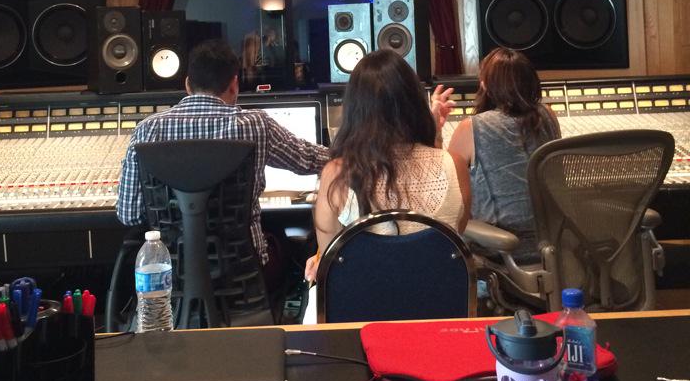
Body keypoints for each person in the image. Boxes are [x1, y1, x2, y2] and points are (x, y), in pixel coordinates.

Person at [117, 39, 330, 276]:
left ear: (187, 84)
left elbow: (129, 214)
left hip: (170, 274)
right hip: (243, 272)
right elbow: (309, 159)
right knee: (290, 244)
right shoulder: (257, 125)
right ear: (234, 85)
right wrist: (351, 150)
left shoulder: (147, 130)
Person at [303, 49, 471, 286]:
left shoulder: (337, 174)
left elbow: (330, 259)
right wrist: (434, 137)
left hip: (363, 307)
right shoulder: (455, 164)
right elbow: (451, 236)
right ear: (415, 101)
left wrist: (320, 257)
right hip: (440, 304)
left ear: (354, 109)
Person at [446, 46, 560, 261]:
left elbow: (445, 185)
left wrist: (434, 128)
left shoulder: (470, 127)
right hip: (555, 246)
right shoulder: (548, 117)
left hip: (502, 252)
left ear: (485, 85)